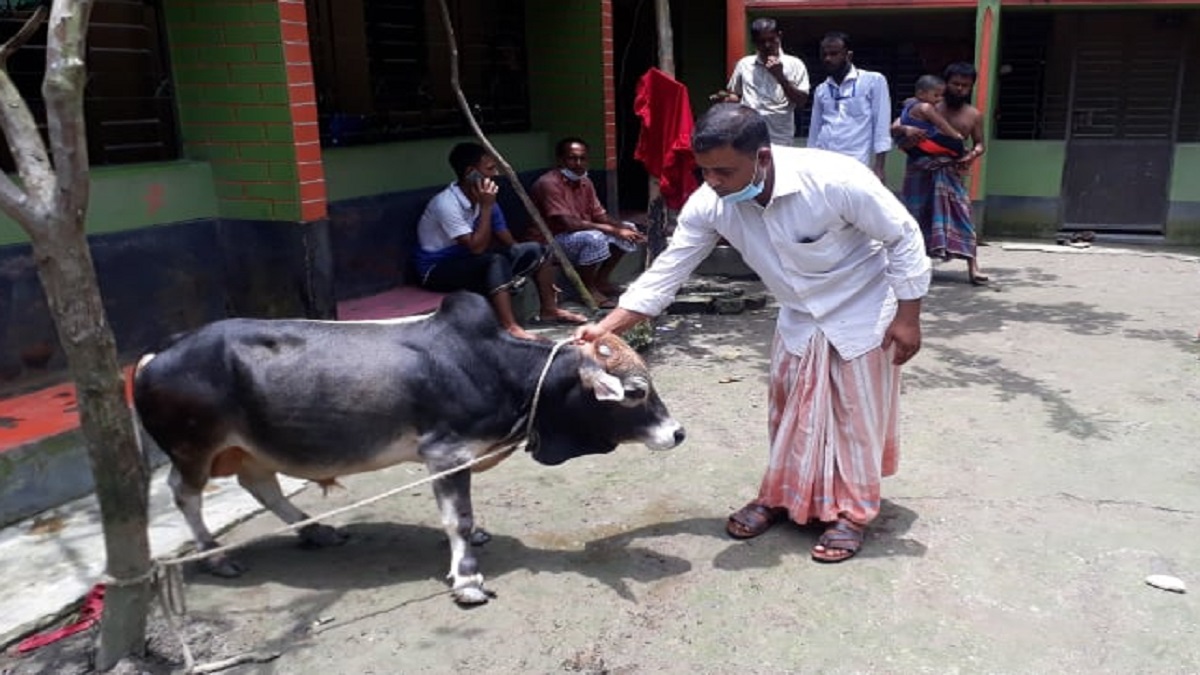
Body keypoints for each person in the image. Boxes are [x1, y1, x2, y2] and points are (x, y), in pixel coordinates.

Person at [575, 104, 930, 563]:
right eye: (705, 171)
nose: (713, 182)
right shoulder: (711, 202)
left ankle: (852, 513)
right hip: (799, 314)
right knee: (787, 411)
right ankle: (781, 496)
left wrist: (909, 315)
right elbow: (670, 270)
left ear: (762, 157)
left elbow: (904, 236)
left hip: (863, 307)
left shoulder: (835, 178)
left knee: (854, 417)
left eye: (725, 170)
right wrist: (602, 331)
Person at [415, 142, 587, 340]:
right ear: (471, 172)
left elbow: (510, 243)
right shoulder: (447, 204)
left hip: (469, 261)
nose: (495, 174)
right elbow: (477, 248)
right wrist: (486, 207)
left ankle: (549, 309)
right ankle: (510, 327)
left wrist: (537, 270)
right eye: (490, 169)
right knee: (495, 261)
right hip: (436, 270)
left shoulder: (486, 199)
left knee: (539, 250)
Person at [893, 62, 988, 285]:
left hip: (951, 171)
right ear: (946, 84)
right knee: (914, 216)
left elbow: (980, 144)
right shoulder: (927, 104)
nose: (960, 89)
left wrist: (972, 155)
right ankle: (912, 264)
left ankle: (973, 267)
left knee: (963, 215)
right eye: (955, 84)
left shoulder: (974, 115)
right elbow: (895, 126)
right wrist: (907, 130)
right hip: (920, 167)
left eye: (965, 85)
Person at [530, 137, 647, 307]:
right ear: (560, 160)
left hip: (575, 234)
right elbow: (570, 224)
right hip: (550, 241)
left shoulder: (585, 181)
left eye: (582, 158)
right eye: (572, 158)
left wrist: (624, 228)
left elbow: (600, 215)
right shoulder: (549, 183)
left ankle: (601, 281)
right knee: (595, 238)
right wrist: (614, 230)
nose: (578, 163)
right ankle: (588, 289)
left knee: (628, 228)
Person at [807, 31, 893, 181]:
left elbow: (881, 125)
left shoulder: (873, 81)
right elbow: (815, 131)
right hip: (825, 164)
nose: (828, 59)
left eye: (834, 54)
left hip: (857, 163)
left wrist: (879, 166)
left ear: (848, 55)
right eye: (824, 54)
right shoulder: (822, 89)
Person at [720, 17, 810, 146]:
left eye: (771, 40)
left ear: (779, 36)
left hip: (780, 138)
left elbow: (801, 101)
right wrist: (728, 100)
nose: (767, 45)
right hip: (748, 136)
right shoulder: (744, 64)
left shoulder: (795, 64)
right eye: (761, 41)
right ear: (754, 42)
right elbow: (736, 95)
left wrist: (780, 77)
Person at [898, 75, 965, 158]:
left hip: (909, 144)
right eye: (936, 96)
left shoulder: (910, 103)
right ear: (921, 94)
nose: (939, 99)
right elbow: (941, 124)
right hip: (923, 143)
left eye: (941, 95)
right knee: (957, 145)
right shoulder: (926, 107)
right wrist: (956, 135)